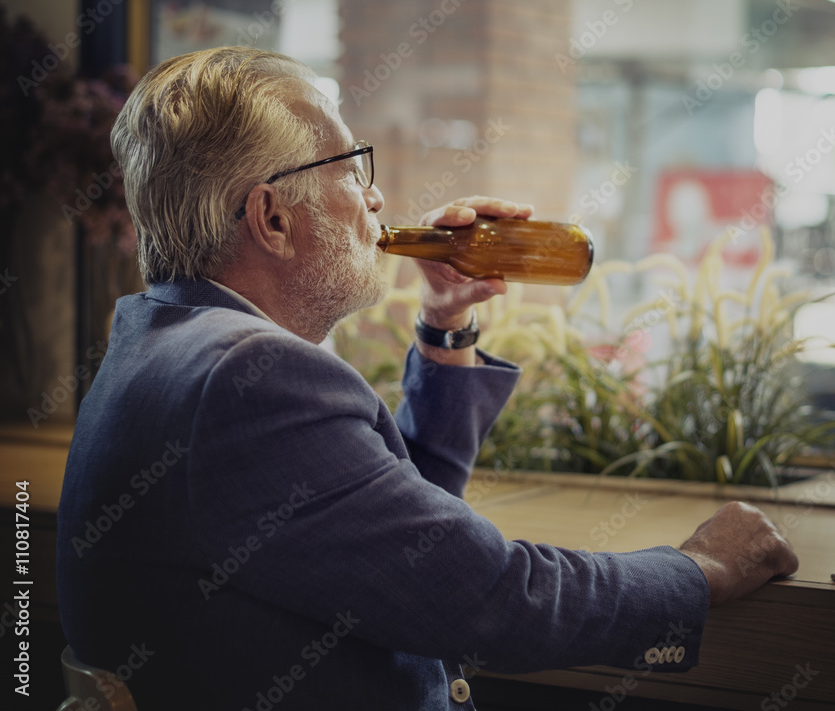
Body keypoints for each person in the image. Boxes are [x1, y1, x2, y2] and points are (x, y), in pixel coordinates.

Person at [57, 47, 797, 710]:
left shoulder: (157, 342)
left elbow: (404, 550)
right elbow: (494, 600)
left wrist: (446, 324)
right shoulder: (248, 377)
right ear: (272, 219)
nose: (376, 199)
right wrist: (701, 570)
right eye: (351, 171)